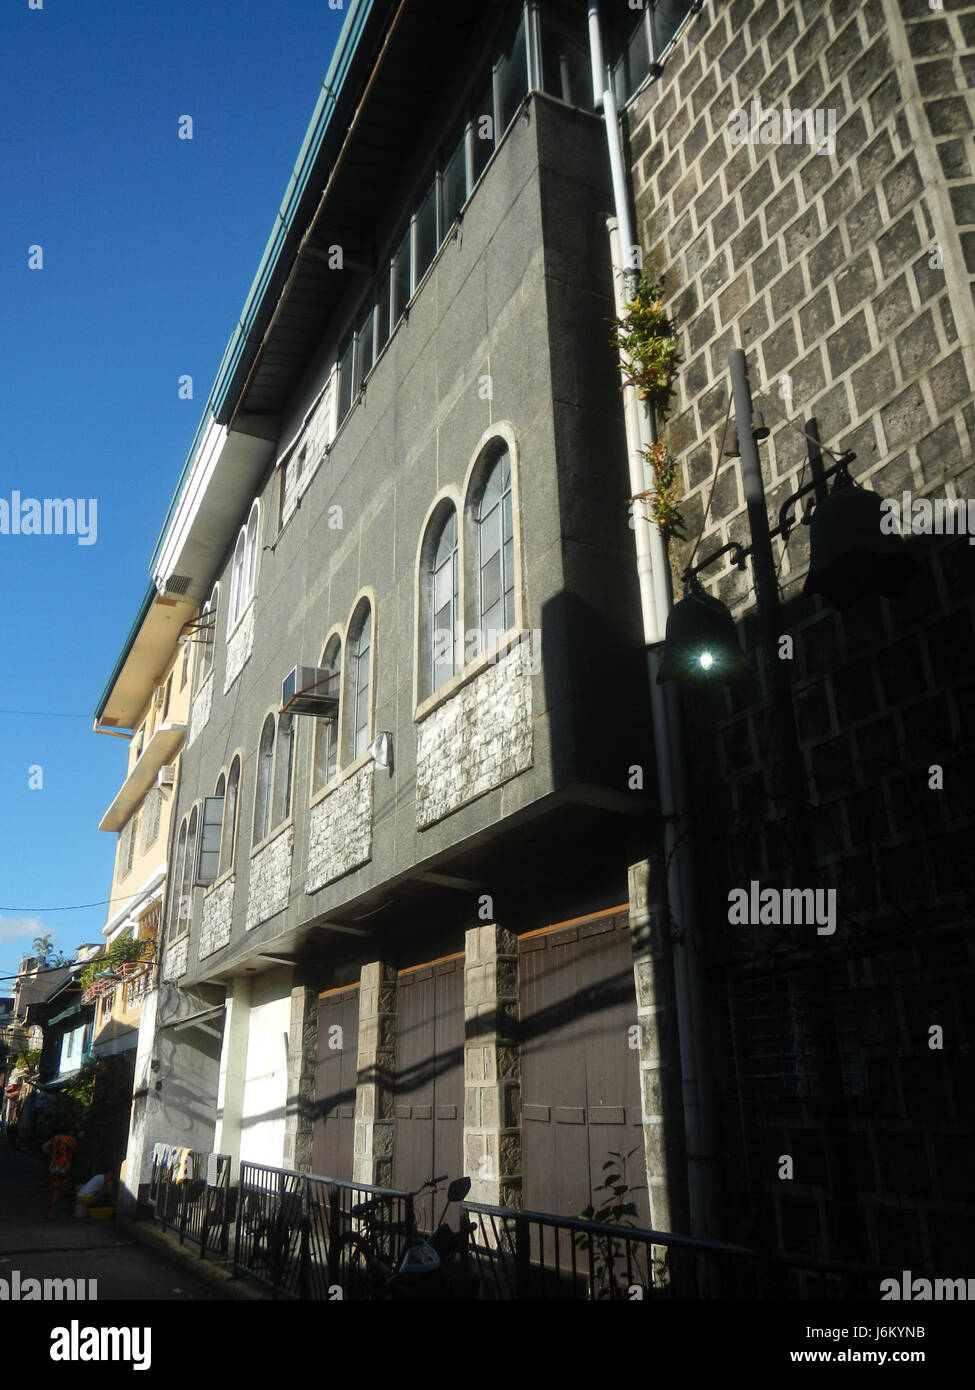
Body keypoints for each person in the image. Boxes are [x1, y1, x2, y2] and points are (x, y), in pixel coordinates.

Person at [40, 1125, 77, 1219]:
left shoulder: (55, 1138)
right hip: (63, 1167)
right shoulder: (69, 1139)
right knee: (57, 1190)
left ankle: (49, 1211)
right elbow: (75, 1147)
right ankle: (50, 1212)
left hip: (53, 1166)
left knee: (53, 1189)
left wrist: (52, 1155)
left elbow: (44, 1147)